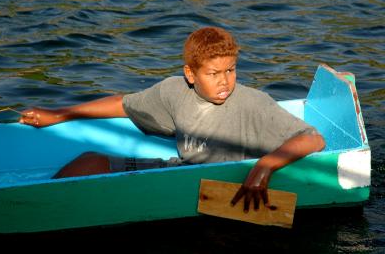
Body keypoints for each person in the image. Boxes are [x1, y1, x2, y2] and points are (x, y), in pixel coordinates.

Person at [19, 26, 325, 212]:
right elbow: (124, 105)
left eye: (231, 70)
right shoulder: (173, 91)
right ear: (190, 74)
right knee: (89, 161)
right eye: (214, 73)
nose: (224, 82)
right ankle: (33, 206)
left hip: (228, 188)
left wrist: (264, 167)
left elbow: (312, 138)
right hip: (182, 173)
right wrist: (61, 114)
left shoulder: (252, 103)